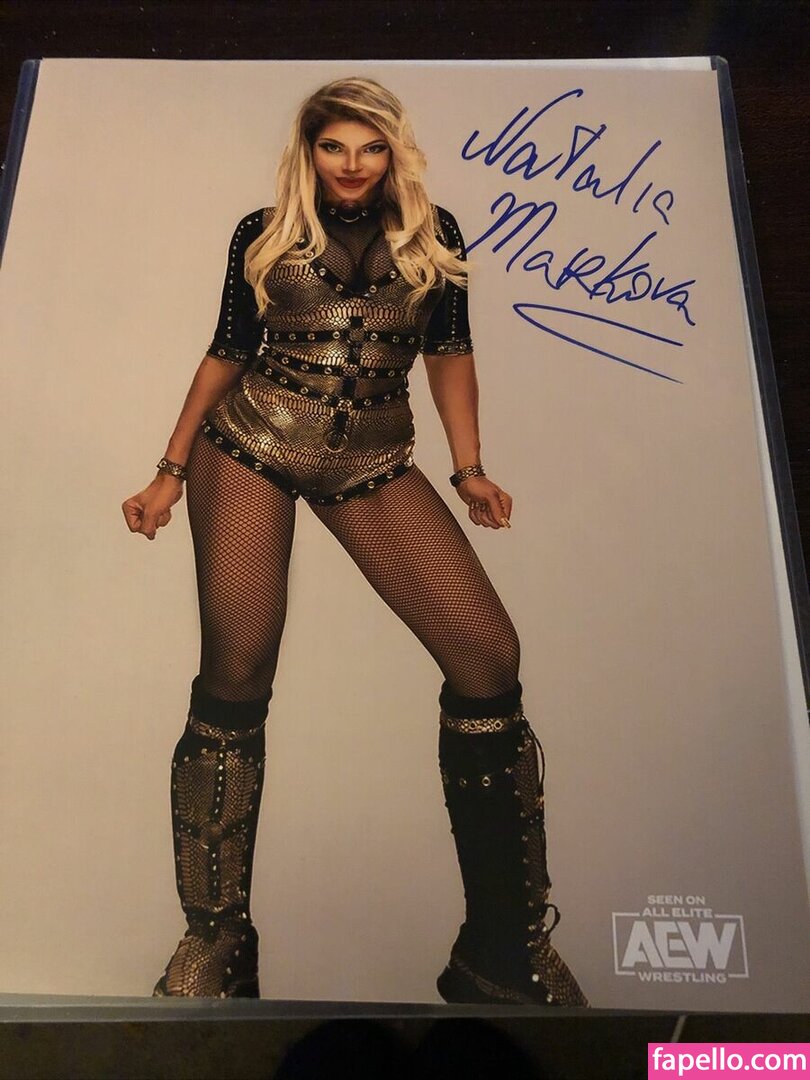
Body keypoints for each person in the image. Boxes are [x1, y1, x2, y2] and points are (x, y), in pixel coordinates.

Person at [122, 77, 587, 1007]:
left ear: (392, 153)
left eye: (369, 148)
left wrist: (469, 469)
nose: (352, 164)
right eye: (334, 146)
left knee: (486, 654)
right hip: (251, 444)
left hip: (371, 456)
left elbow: (451, 354)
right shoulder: (264, 233)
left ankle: (501, 947)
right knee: (238, 665)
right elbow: (226, 351)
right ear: (310, 151)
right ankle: (216, 941)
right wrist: (169, 469)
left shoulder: (434, 235)